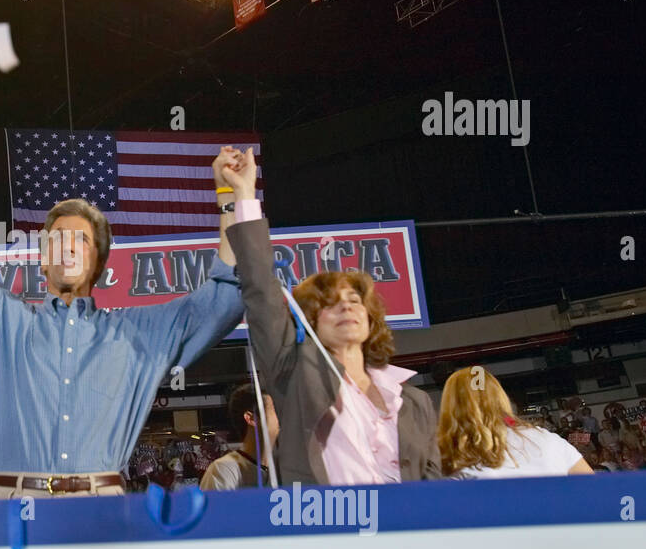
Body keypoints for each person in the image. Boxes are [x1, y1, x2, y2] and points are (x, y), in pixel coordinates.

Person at [0, 120, 246, 499]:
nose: (67, 245)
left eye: (81, 239)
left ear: (99, 263)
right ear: (43, 257)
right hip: (15, 508)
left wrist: (231, 199)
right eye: (57, 238)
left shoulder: (141, 334)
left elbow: (225, 297)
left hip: (101, 511)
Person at [219, 149, 440, 485]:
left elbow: (433, 484)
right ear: (310, 322)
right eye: (331, 304)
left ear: (370, 318)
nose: (346, 307)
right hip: (329, 529)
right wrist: (244, 193)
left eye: (354, 300)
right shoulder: (293, 376)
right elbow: (261, 288)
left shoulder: (414, 400)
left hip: (406, 533)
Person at [438, 367, 593, 478]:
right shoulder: (547, 438)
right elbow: (594, 489)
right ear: (500, 397)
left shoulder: (458, 459)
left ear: (451, 407)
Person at [201, 382, 281, 490]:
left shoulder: (284, 468)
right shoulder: (225, 471)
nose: (281, 416)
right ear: (251, 419)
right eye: (274, 410)